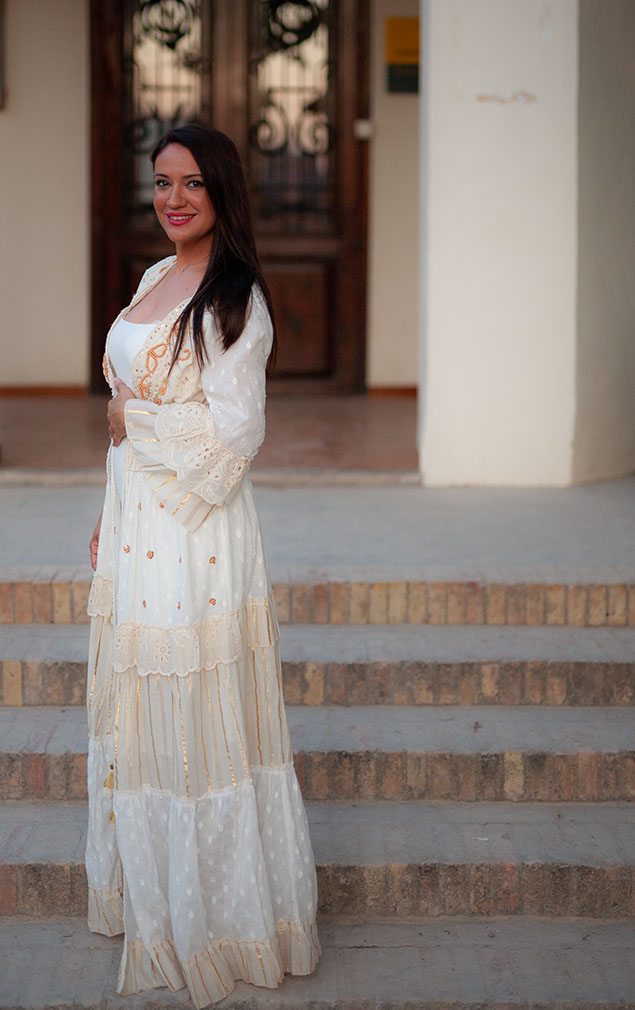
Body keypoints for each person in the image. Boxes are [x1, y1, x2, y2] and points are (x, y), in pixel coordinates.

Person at [86, 124, 321, 1007]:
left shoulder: (237, 301)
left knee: (191, 714)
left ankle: (215, 917)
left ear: (221, 190)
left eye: (189, 183)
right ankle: (151, 896)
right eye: (159, 183)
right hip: (136, 518)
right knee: (140, 711)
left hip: (197, 538)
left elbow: (232, 443)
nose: (172, 198)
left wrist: (132, 424)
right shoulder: (153, 279)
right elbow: (127, 398)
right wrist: (106, 510)